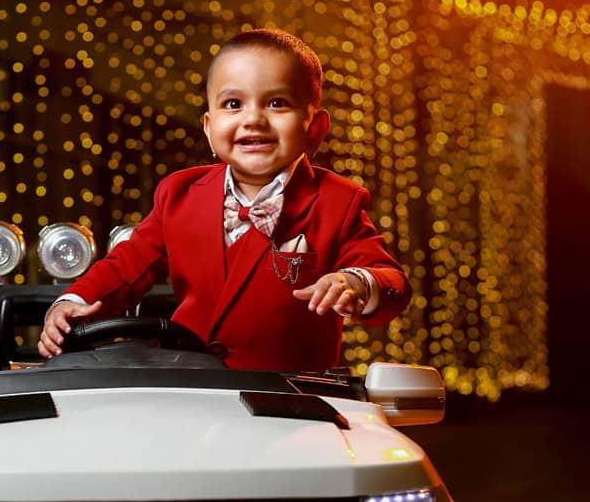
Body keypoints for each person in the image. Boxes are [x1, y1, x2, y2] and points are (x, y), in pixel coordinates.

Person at [38, 27, 411, 371]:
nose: (253, 119)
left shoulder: (337, 201)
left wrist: (359, 282)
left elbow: (393, 281)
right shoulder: (178, 193)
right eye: (233, 104)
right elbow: (124, 267)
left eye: (277, 103)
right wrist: (71, 301)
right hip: (191, 387)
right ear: (209, 127)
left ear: (315, 128)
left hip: (288, 399)